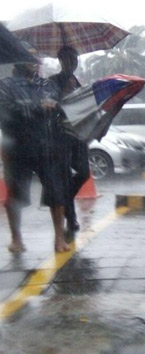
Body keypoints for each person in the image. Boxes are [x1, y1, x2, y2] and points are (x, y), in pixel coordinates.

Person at [0, 43, 70, 253]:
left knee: (56, 192)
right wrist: (36, 108)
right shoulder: (5, 85)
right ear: (17, 60)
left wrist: (56, 106)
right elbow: (6, 112)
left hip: (46, 146)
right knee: (16, 195)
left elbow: (59, 106)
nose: (32, 61)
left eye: (35, 57)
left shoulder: (47, 85)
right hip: (17, 149)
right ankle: (16, 238)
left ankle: (59, 238)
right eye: (27, 57)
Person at [49, 45, 90, 237]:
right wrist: (63, 94)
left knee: (84, 172)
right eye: (69, 60)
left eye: (75, 60)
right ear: (61, 61)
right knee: (64, 178)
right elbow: (49, 106)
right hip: (60, 136)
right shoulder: (52, 82)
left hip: (78, 135)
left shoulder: (76, 81)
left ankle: (64, 201)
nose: (73, 63)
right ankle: (70, 218)